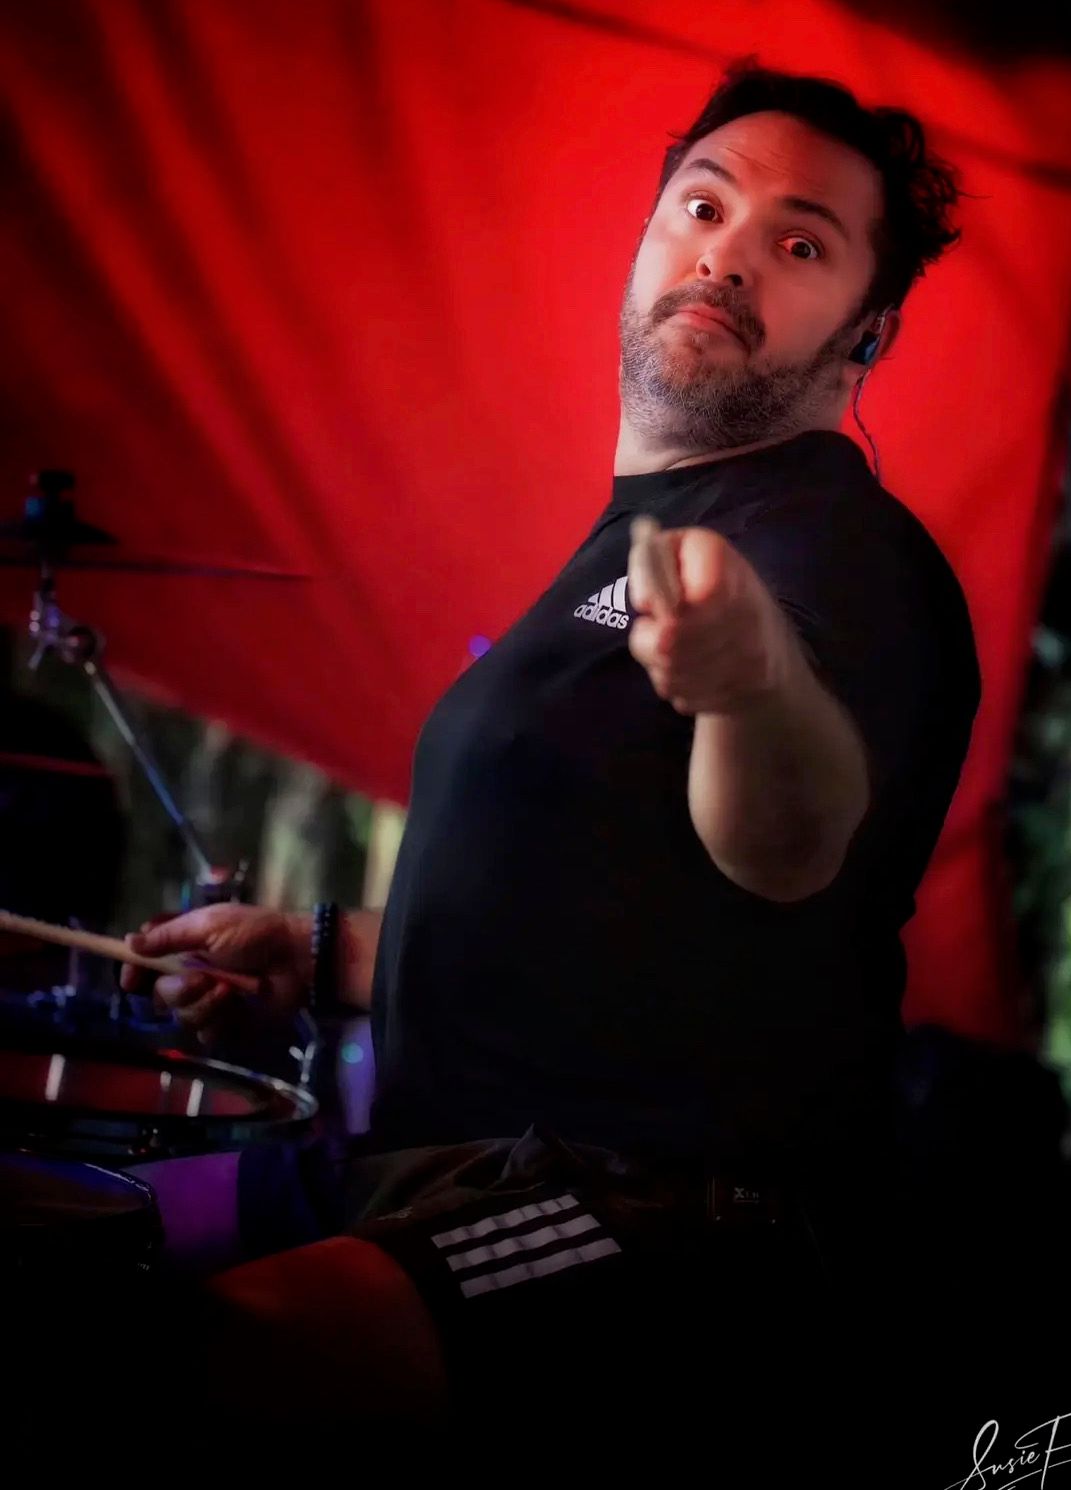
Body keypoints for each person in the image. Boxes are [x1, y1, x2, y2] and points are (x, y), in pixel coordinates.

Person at [123, 64, 979, 1435]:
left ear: (866, 333)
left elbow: (792, 846)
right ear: (645, 241)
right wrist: (318, 951)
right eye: (704, 206)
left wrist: (752, 683)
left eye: (800, 244)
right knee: (76, 1232)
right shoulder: (627, 540)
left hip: (653, 1216)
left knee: (195, 1359)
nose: (728, 255)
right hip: (421, 1173)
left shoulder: (833, 544)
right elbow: (611, 922)